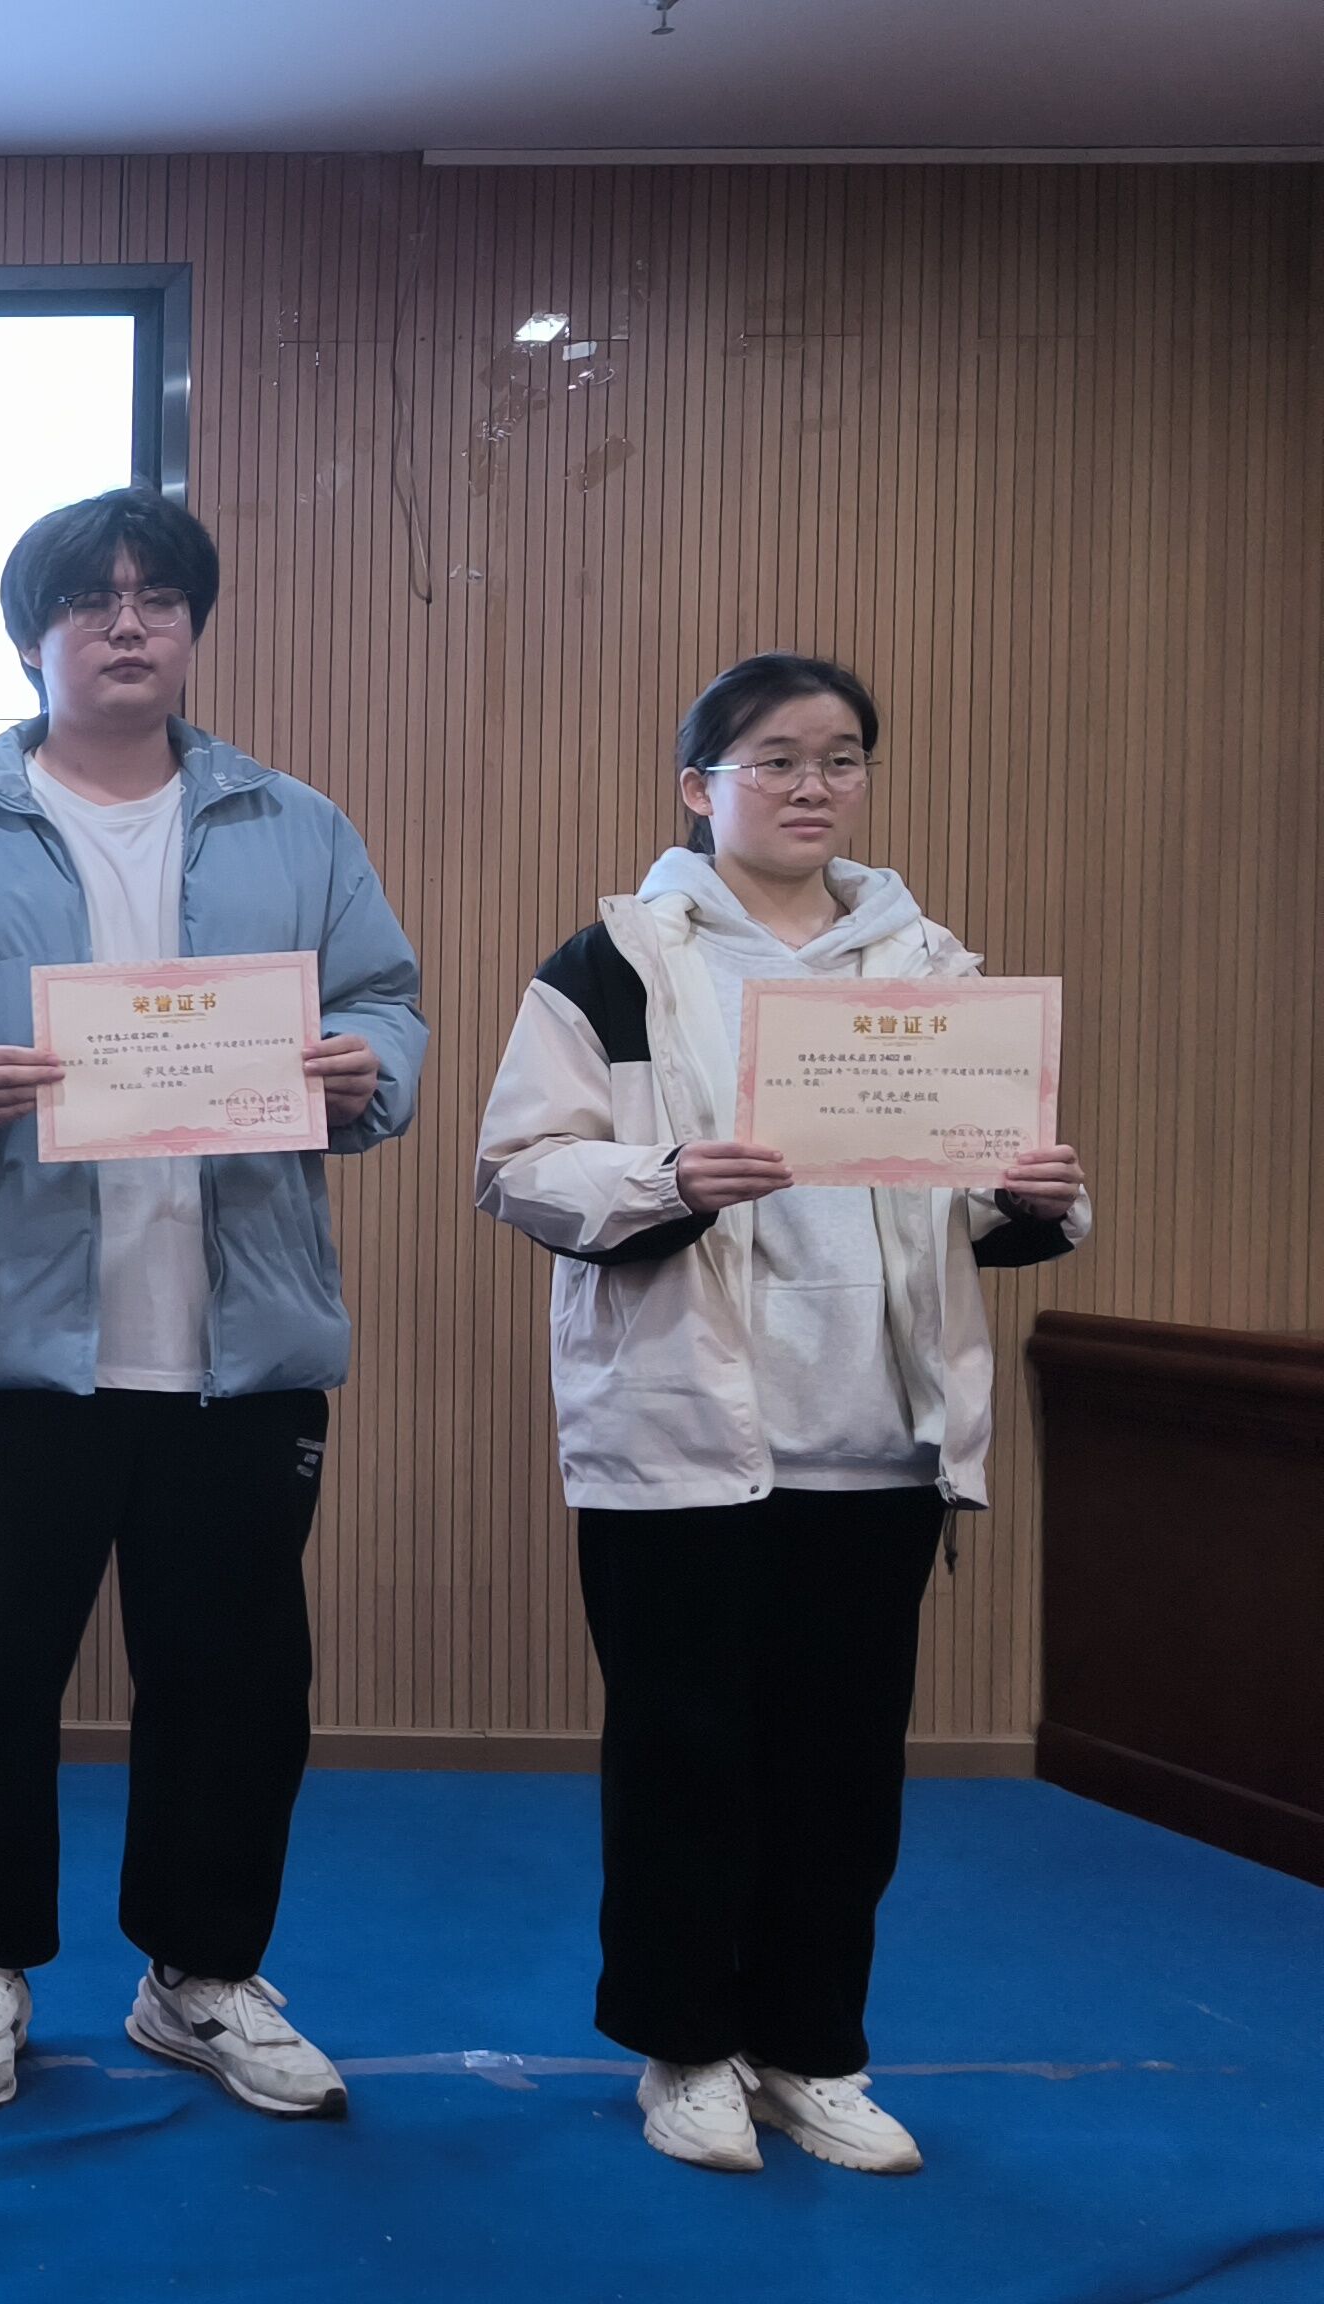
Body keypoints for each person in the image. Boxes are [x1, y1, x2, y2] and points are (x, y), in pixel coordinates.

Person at [0, 488, 426, 2122]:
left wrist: (371, 1069)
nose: (128, 622)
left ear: (194, 628)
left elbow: (386, 1001)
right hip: (14, 1341)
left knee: (236, 1684)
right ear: (34, 638)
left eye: (157, 597)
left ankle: (199, 1975)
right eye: (91, 599)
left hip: (241, 1340)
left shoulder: (296, 826)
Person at [472, 652, 1088, 2177]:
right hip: (684, 1438)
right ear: (702, 787)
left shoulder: (932, 970)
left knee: (843, 1772)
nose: (814, 785)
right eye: (775, 759)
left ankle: (814, 2049)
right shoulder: (614, 965)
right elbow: (521, 1167)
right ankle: (684, 2049)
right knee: (682, 1759)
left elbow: (970, 1186)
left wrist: (1033, 1195)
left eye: (841, 758)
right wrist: (669, 1177)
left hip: (879, 1437)